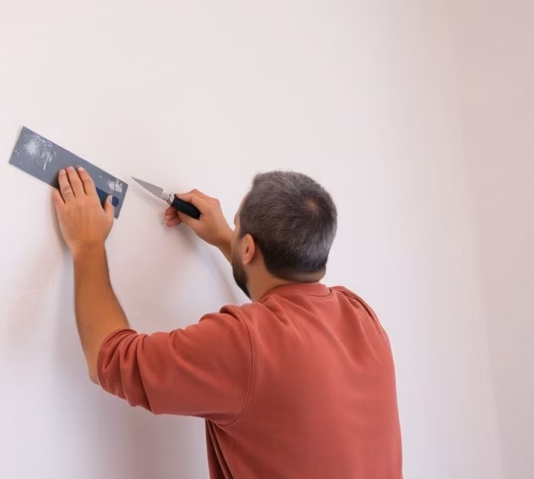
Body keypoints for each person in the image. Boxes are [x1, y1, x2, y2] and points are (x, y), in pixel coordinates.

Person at [51, 167, 402, 479]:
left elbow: (110, 359)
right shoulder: (361, 315)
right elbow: (287, 314)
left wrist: (87, 245)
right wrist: (226, 238)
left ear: (248, 249)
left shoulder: (244, 341)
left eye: (237, 229)